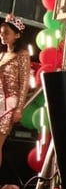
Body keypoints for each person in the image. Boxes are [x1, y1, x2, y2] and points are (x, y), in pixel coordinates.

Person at [0, 14, 30, 171]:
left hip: (9, 104)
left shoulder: (23, 55)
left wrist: (19, 108)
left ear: (17, 35)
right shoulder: (2, 55)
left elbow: (24, 83)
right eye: (1, 32)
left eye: (6, 33)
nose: (2, 36)